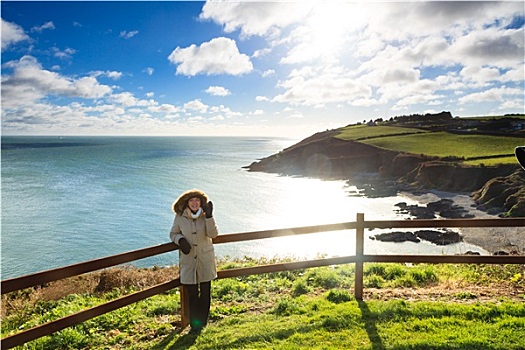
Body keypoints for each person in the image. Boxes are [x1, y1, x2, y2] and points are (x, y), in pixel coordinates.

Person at [169, 189, 219, 333]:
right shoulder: (180, 217)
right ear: (186, 203)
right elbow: (173, 233)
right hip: (189, 259)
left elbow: (213, 234)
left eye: (197, 200)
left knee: (205, 292)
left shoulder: (205, 215)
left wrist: (209, 217)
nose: (195, 203)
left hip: (205, 258)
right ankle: (194, 324)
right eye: (191, 200)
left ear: (201, 202)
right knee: (192, 293)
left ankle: (202, 322)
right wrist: (181, 240)